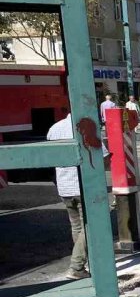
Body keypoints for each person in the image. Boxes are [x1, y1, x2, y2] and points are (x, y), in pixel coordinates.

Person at [46, 113, 110, 280]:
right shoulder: (87, 126)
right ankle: (76, 266)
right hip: (82, 186)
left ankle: (83, 264)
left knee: (77, 228)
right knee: (90, 227)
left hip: (64, 186)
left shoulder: (54, 128)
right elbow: (102, 156)